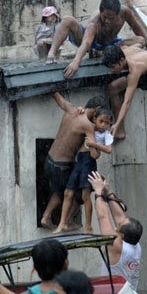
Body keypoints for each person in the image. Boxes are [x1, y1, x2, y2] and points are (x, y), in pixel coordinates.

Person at [41, 92, 105, 230]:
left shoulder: (71, 109)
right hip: (62, 165)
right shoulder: (87, 125)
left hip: (49, 159)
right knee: (76, 194)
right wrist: (98, 144)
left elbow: (58, 98)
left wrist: (54, 88)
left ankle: (47, 216)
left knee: (58, 191)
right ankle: (66, 220)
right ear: (97, 109)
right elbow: (94, 155)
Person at [46, 0, 147, 78]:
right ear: (101, 12)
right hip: (92, 43)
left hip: (112, 45)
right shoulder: (94, 23)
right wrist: (76, 61)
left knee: (141, 40)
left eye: (111, 18)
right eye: (105, 17)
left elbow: (137, 28)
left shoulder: (125, 12)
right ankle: (51, 53)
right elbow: (86, 43)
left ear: (117, 13)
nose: (107, 21)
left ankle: (101, 53)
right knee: (67, 20)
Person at [53, 107, 114, 234]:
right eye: (101, 121)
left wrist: (94, 144)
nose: (103, 125)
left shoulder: (106, 135)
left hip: (89, 163)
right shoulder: (89, 126)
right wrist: (81, 109)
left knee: (85, 195)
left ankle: (88, 226)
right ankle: (62, 223)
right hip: (78, 161)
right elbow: (83, 114)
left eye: (107, 123)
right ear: (94, 119)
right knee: (67, 193)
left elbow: (107, 150)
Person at [102, 43, 147, 139]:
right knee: (113, 87)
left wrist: (117, 122)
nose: (112, 71)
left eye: (113, 67)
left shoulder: (134, 69)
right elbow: (140, 41)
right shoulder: (125, 51)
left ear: (121, 61)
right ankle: (120, 130)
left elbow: (127, 102)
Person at [88, 171, 143, 291]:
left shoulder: (117, 245)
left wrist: (98, 192)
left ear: (121, 235)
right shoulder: (135, 245)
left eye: (119, 226)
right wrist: (109, 193)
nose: (118, 222)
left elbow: (103, 217)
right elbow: (120, 217)